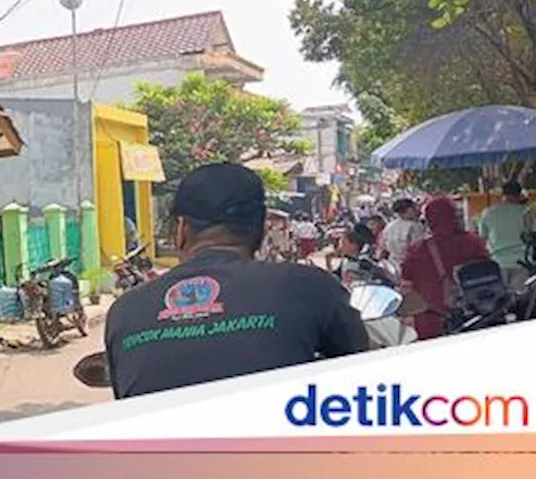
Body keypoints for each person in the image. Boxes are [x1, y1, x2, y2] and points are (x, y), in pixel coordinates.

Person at [102, 163, 369, 400]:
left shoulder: (125, 311)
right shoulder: (311, 287)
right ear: (263, 230)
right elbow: (361, 378)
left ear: (181, 230)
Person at [400, 196, 491, 341]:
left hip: (432, 323)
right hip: (473, 318)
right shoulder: (473, 243)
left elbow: (406, 282)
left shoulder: (417, 250)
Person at [474, 181, 532, 291]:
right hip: (523, 262)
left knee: (501, 303)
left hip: (497, 264)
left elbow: (481, 240)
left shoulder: (488, 212)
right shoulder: (527, 212)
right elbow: (533, 236)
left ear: (502, 194)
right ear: (519, 194)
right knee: (521, 304)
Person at [382, 198, 426, 271]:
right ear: (409, 210)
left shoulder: (389, 226)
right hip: (411, 265)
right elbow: (418, 247)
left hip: (393, 265)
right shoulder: (415, 226)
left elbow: (385, 246)